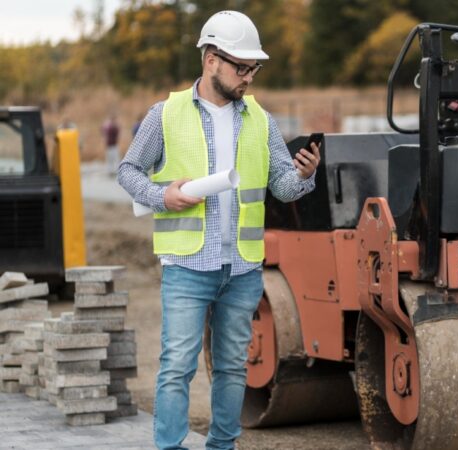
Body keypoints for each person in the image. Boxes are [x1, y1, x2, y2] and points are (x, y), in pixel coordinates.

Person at [117, 10, 320, 450]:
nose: (249, 77)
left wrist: (304, 176)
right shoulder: (165, 114)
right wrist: (161, 196)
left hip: (243, 268)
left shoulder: (261, 120)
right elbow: (128, 171)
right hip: (188, 266)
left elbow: (281, 188)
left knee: (232, 367)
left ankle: (222, 446)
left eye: (254, 69)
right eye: (241, 67)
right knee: (176, 366)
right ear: (211, 59)